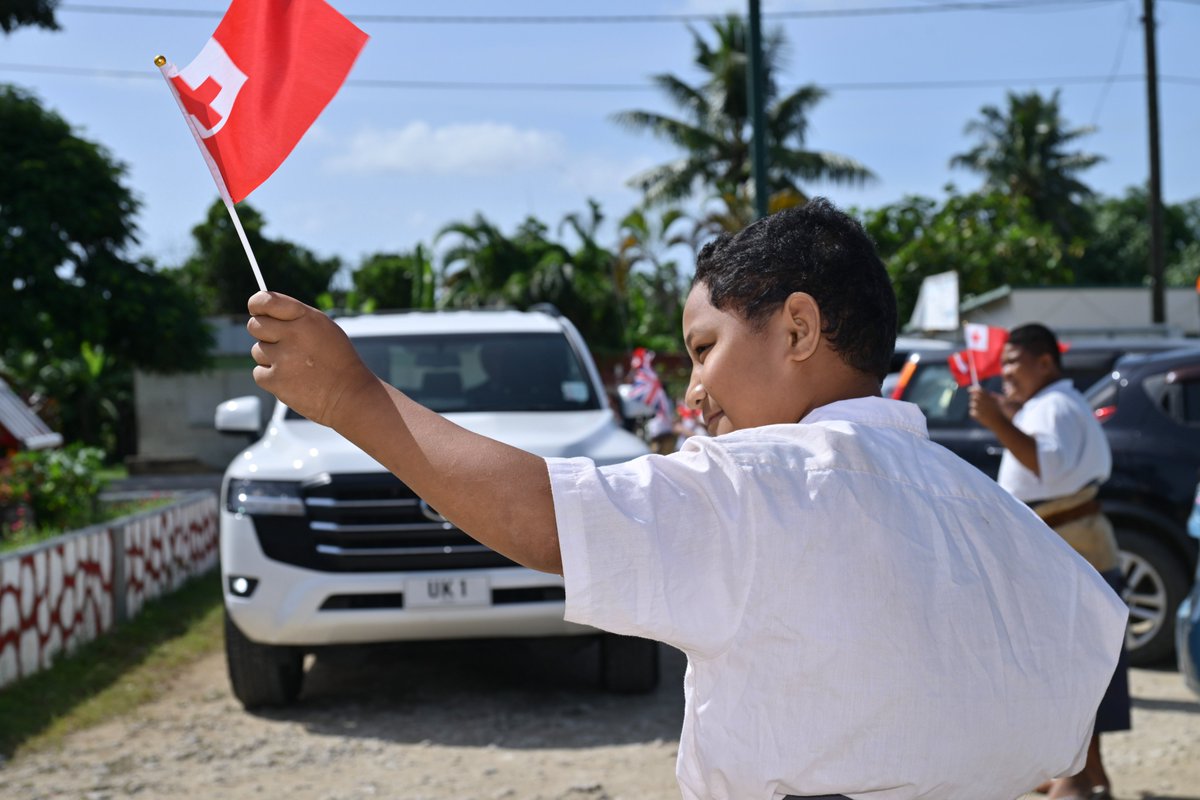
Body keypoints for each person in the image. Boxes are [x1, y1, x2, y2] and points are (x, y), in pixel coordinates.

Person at [246, 199, 1127, 800]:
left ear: (797, 328)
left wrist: (354, 398)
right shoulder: (985, 509)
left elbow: (545, 519)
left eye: (705, 349)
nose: (694, 390)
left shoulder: (766, 481)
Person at [969, 323, 1131, 800]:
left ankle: (1078, 777)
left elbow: (1049, 465)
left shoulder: (1055, 405)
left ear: (1045, 361)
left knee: (1073, 665)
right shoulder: (1053, 403)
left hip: (1072, 545)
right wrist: (1011, 416)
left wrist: (998, 423)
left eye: (1013, 361)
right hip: (1071, 543)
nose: (1005, 372)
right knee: (1074, 661)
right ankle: (1086, 773)